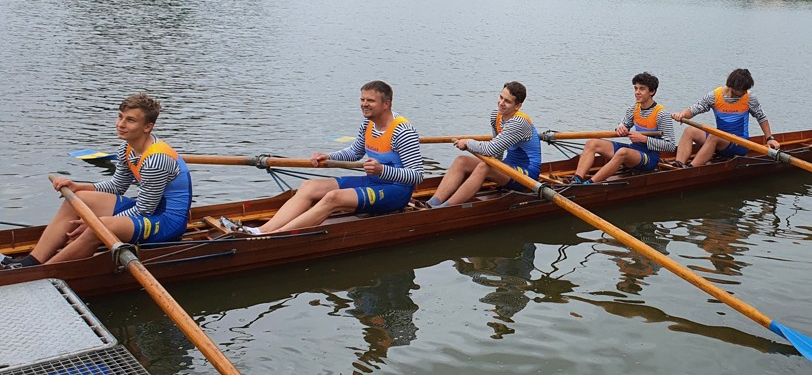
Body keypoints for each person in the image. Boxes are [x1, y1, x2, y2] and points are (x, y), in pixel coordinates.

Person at [3, 93, 192, 268]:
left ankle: (42, 273)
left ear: (147, 127)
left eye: (130, 120)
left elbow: (144, 210)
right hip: (149, 209)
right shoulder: (126, 149)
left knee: (100, 226)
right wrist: (78, 186)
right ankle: (29, 263)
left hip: (167, 222)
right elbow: (117, 186)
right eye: (120, 117)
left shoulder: (156, 160)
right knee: (77, 198)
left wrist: (95, 223)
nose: (121, 124)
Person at [236, 81, 423, 234]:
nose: (364, 104)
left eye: (370, 101)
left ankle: (277, 235)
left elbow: (416, 175)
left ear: (386, 104)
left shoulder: (403, 132)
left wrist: (382, 170)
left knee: (333, 197)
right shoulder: (368, 124)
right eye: (362, 99)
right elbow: (355, 152)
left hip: (396, 192)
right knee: (309, 186)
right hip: (373, 182)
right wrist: (328, 156)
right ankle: (262, 230)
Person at [428, 82, 539, 207]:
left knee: (484, 167)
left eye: (507, 101)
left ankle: (444, 209)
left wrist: (467, 142)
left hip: (527, 175)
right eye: (501, 97)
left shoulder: (519, 122)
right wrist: (490, 173)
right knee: (461, 161)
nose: (501, 103)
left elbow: (491, 149)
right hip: (508, 166)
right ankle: (432, 203)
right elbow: (497, 154)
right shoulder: (496, 116)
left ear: (518, 106)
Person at [568, 72, 676, 184]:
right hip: (634, 150)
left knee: (622, 152)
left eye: (642, 89)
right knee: (592, 143)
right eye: (636, 88)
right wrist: (621, 127)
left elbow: (671, 146)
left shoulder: (661, 114)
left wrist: (645, 139)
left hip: (650, 157)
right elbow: (624, 124)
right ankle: (576, 179)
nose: (637, 92)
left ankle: (589, 184)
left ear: (652, 92)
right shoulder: (633, 109)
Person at [670, 68, 781, 167]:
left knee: (714, 136)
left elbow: (761, 117)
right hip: (720, 141)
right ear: (733, 86)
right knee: (689, 131)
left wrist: (769, 138)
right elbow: (694, 109)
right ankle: (678, 164)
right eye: (743, 89)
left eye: (746, 89)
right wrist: (682, 115)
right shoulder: (714, 96)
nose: (745, 92)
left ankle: (691, 168)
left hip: (739, 143)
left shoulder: (750, 98)